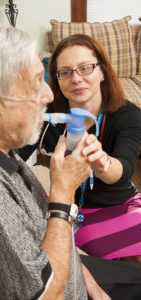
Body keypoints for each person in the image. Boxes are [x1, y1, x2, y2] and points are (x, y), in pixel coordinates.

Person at [0, 24, 113, 299]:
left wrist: (85, 280)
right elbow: (44, 294)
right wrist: (63, 192)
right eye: (35, 83)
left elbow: (35, 226)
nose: (49, 95)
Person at [29, 33, 141, 264]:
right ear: (57, 79)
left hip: (118, 205)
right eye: (66, 72)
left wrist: (101, 161)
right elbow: (14, 153)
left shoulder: (128, 115)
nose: (76, 79)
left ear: (102, 72)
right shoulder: (49, 116)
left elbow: (123, 170)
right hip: (65, 207)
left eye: (85, 68)